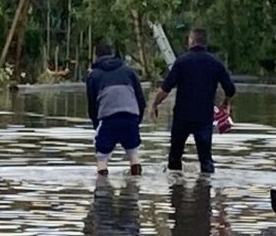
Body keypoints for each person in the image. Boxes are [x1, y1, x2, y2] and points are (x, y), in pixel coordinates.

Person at [151, 28, 236, 174]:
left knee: (175, 157)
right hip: (204, 117)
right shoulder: (215, 63)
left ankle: (175, 190)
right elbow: (230, 88)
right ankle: (206, 190)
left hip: (182, 117)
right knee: (206, 159)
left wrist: (155, 104)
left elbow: (166, 89)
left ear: (192, 41)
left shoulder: (182, 62)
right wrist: (226, 102)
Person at [86, 42, 146, 176]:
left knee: (101, 157)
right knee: (133, 154)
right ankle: (135, 187)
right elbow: (141, 99)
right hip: (131, 115)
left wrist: (97, 125)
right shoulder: (129, 71)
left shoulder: (93, 75)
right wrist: (137, 120)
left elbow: (91, 105)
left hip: (108, 118)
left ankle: (102, 190)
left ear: (96, 56)